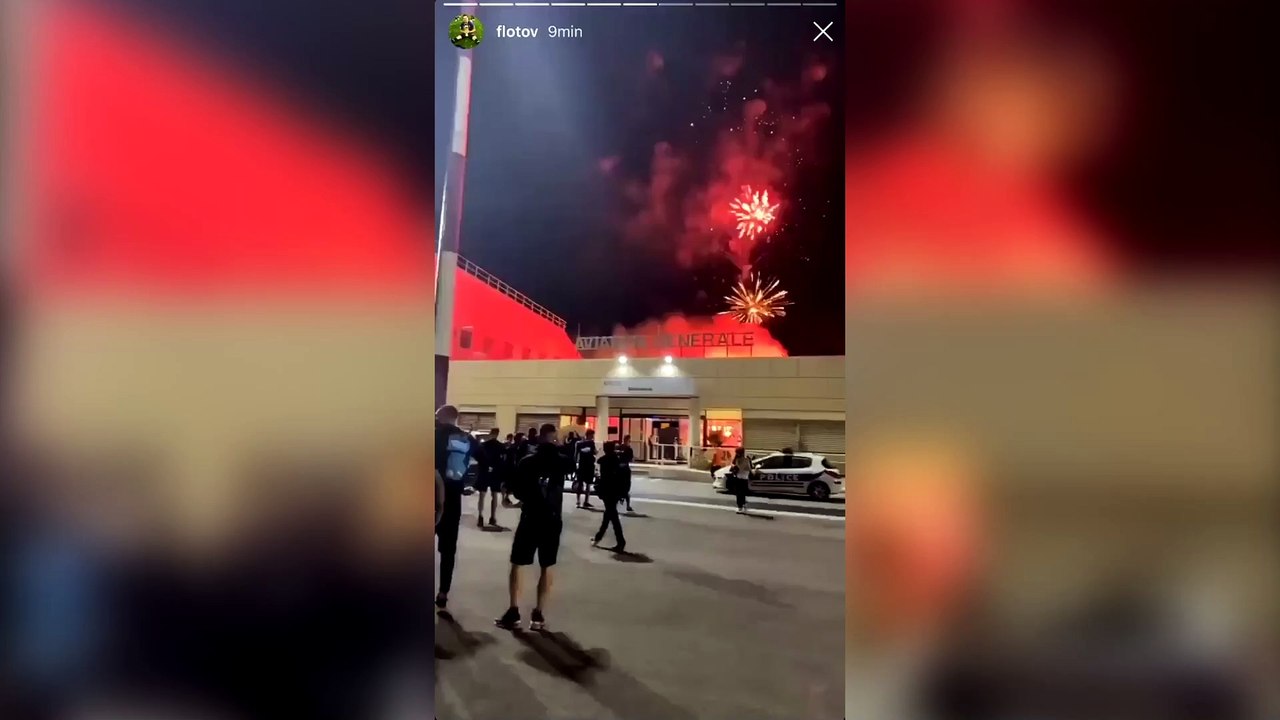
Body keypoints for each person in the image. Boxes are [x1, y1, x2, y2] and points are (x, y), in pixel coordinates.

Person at [496, 423, 564, 632]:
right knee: (547, 565)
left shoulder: (527, 462)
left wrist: (512, 499)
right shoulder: (561, 462)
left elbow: (517, 490)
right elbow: (570, 466)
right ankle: (538, 614)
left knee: (518, 563)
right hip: (552, 519)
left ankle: (514, 611)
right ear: (554, 439)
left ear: (539, 438)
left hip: (531, 516)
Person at [434, 404, 478, 611]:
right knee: (448, 549)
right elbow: (486, 461)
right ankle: (443, 592)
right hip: (453, 500)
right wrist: (470, 484)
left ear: (441, 417)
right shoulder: (466, 439)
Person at [592, 442, 627, 551]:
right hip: (616, 491)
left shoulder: (604, 460)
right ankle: (599, 537)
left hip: (607, 490)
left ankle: (620, 541)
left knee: (612, 516)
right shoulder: (617, 460)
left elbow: (602, 473)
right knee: (609, 514)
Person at [476, 428, 506, 527]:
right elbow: (503, 460)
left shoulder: (484, 445)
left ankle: (480, 516)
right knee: (494, 495)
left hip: (484, 471)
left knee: (482, 495)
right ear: (497, 434)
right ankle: (492, 517)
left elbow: (478, 457)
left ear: (490, 433)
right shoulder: (501, 446)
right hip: (495, 472)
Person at [574, 429, 598, 509]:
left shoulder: (579, 443)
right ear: (589, 435)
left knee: (580, 483)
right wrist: (597, 451)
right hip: (589, 465)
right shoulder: (591, 443)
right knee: (588, 484)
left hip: (581, 465)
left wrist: (575, 464)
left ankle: (578, 501)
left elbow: (576, 455)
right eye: (592, 435)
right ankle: (586, 501)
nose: (593, 437)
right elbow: (594, 452)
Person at [731, 446, 752, 514]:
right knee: (742, 492)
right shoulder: (747, 458)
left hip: (740, 477)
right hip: (744, 477)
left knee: (739, 493)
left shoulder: (741, 459)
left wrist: (736, 465)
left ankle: (740, 507)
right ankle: (743, 505)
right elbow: (749, 468)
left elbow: (740, 467)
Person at [618, 434, 635, 513]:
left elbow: (630, 459)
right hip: (622, 469)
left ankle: (626, 504)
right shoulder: (624, 448)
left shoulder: (625, 448)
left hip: (622, 468)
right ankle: (626, 504)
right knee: (623, 487)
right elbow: (631, 459)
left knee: (623, 487)